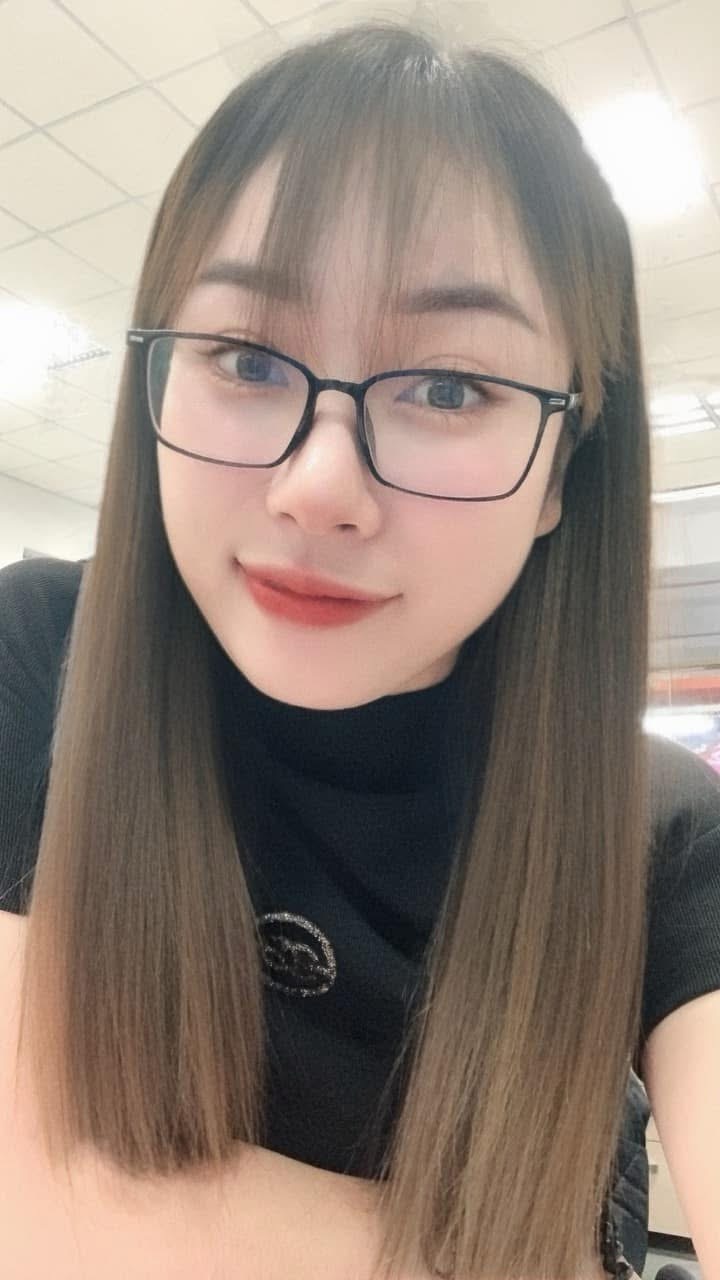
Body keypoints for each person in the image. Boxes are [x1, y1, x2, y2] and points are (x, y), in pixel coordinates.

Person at [1, 15, 719, 1280]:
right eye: (244, 357)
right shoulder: (40, 654)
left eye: (448, 387)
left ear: (564, 471)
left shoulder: (655, 830)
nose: (318, 486)